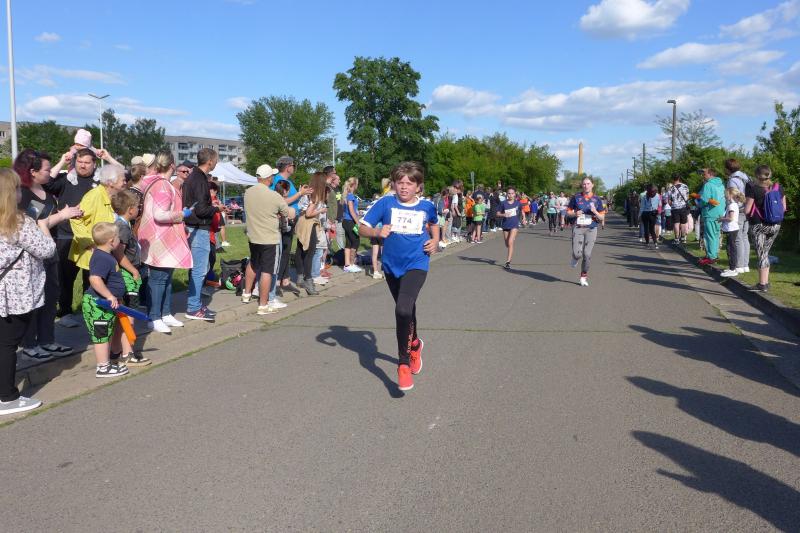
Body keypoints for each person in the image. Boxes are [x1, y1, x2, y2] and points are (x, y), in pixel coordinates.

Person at [359, 161, 440, 392]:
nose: (404, 187)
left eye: (409, 183)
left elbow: (434, 224)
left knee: (403, 309)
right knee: (407, 309)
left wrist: (435, 241)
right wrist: (376, 231)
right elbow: (361, 228)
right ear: (394, 184)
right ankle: (414, 344)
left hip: (417, 263)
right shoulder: (385, 203)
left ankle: (403, 364)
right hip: (391, 266)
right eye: (400, 182)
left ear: (418, 186)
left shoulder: (426, 206)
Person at [15, 150, 81, 359]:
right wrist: (63, 215)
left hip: (50, 250)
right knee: (35, 299)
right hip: (33, 255)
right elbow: (31, 226)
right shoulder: (24, 194)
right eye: (46, 169)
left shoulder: (43, 188)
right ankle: (29, 345)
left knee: (51, 296)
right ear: (32, 172)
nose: (50, 172)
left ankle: (47, 340)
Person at [0, 168, 55, 415]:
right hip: (16, 294)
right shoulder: (19, 223)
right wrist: (43, 225)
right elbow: (46, 249)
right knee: (8, 345)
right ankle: (7, 397)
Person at [137, 151, 192, 333]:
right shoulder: (162, 185)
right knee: (159, 279)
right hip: (159, 238)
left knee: (166, 278)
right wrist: (182, 215)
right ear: (172, 165)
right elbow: (160, 215)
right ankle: (154, 317)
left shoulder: (157, 182)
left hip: (162, 238)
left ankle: (165, 313)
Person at [45, 148, 101, 327]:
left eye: (87, 162)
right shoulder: (66, 179)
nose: (83, 165)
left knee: (91, 277)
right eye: (80, 162)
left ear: (94, 164)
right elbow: (47, 183)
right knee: (66, 277)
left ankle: (89, 309)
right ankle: (65, 312)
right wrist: (63, 160)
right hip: (67, 236)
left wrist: (108, 157)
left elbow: (123, 176)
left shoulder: (99, 181)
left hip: (91, 238)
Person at [242, 164, 295, 315]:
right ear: (269, 178)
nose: (273, 178)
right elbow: (289, 213)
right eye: (272, 176)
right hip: (269, 238)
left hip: (253, 236)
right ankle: (263, 305)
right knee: (267, 271)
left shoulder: (248, 192)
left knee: (253, 263)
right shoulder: (274, 196)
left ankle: (246, 293)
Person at [81, 222, 129, 378]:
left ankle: (109, 361)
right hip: (98, 305)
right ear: (111, 241)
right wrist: (109, 296)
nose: (120, 240)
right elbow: (95, 279)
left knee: (106, 333)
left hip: (105, 305)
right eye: (118, 237)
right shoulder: (102, 258)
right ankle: (103, 368)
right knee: (101, 336)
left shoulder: (104, 255)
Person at [69, 164, 128, 287]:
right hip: (93, 254)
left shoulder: (113, 196)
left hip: (107, 253)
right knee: (93, 290)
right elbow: (75, 219)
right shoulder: (94, 196)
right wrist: (90, 242)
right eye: (123, 180)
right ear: (111, 183)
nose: (125, 182)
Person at [111, 190, 151, 366]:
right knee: (129, 316)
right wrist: (133, 271)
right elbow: (119, 253)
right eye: (137, 206)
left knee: (123, 315)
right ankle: (128, 353)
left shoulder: (122, 225)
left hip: (125, 275)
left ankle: (115, 351)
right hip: (127, 276)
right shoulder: (123, 228)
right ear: (130, 209)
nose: (138, 209)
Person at [182, 148, 221, 321]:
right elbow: (201, 209)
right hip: (198, 228)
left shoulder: (195, 177)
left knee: (198, 269)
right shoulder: (199, 179)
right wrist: (216, 208)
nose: (216, 163)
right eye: (216, 160)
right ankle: (193, 307)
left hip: (195, 227)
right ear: (210, 161)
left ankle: (195, 304)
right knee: (199, 270)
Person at [271, 156, 311, 292]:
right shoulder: (279, 181)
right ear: (288, 167)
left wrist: (302, 194)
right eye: (293, 165)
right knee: (283, 251)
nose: (294, 168)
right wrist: (300, 193)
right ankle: (277, 283)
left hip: (290, 219)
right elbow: (281, 201)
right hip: (284, 220)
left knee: (286, 251)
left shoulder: (286, 181)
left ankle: (285, 279)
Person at [745, 165, 786, 292]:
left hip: (759, 226)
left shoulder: (752, 188)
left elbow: (747, 210)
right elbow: (784, 208)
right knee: (765, 253)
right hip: (775, 225)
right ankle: (766, 282)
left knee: (762, 254)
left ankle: (762, 284)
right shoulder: (778, 187)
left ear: (757, 175)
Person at [567, 177, 605, 287]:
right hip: (578, 227)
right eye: (584, 184)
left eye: (588, 184)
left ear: (592, 185)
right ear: (582, 185)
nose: (586, 186)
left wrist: (595, 211)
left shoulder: (597, 199)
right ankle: (575, 257)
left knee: (587, 254)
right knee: (577, 253)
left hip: (591, 228)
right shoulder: (576, 197)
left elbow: (602, 217)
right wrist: (575, 214)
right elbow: (568, 212)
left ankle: (583, 276)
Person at [295, 172, 327, 295]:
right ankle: (308, 280)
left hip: (301, 222)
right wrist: (321, 210)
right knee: (310, 253)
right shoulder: (316, 195)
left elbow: (301, 208)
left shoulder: (308, 192)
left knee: (300, 250)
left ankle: (299, 277)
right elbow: (309, 213)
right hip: (309, 224)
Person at [695, 168, 725, 266]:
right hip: (719, 212)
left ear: (710, 174)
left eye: (704, 174)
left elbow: (704, 200)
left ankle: (711, 257)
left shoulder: (708, 185)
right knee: (716, 235)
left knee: (709, 235)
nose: (703, 175)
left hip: (710, 213)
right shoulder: (721, 184)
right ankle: (713, 255)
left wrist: (698, 203)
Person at [725, 159, 751, 273]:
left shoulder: (733, 180)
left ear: (727, 169)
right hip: (748, 209)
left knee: (738, 238)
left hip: (738, 210)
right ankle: (745, 265)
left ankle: (739, 265)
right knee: (745, 237)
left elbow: (733, 196)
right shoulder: (746, 176)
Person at [719, 187, 745, 278]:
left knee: (731, 249)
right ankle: (732, 268)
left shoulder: (731, 206)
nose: (725, 196)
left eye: (726, 194)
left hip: (731, 229)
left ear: (730, 195)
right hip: (732, 229)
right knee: (730, 248)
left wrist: (721, 219)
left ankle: (732, 269)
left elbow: (730, 218)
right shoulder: (734, 204)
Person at [497, 186, 521, 269]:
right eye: (509, 193)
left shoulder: (518, 203)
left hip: (514, 225)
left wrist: (524, 218)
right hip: (505, 225)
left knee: (510, 242)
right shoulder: (503, 203)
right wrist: (503, 214)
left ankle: (508, 262)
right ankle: (510, 240)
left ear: (515, 194)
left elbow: (521, 211)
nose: (510, 195)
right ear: (507, 194)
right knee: (507, 244)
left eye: (512, 193)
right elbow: (497, 213)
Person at [341, 177, 362, 272]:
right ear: (354, 185)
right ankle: (352, 264)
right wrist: (358, 222)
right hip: (350, 222)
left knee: (349, 242)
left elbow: (353, 210)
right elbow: (351, 210)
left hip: (346, 221)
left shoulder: (347, 195)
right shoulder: (350, 196)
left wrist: (358, 213)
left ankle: (347, 265)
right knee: (356, 241)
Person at [667, 174, 690, 244]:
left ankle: (676, 239)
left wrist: (672, 205)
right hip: (683, 207)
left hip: (675, 207)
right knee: (683, 223)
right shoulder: (685, 186)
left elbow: (669, 201)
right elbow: (687, 197)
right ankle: (683, 238)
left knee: (676, 223)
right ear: (679, 178)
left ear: (673, 179)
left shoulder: (671, 188)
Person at [639, 184, 661, 249]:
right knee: (652, 229)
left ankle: (647, 243)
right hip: (653, 213)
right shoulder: (658, 196)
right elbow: (660, 205)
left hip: (645, 213)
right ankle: (655, 243)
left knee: (646, 229)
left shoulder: (644, 196)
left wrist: (639, 215)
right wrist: (658, 211)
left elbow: (642, 207)